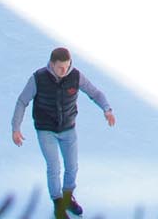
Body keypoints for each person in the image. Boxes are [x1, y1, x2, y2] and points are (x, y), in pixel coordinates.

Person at [12, 46, 116, 218]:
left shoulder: (75, 76)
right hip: (46, 130)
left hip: (68, 128)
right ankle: (58, 202)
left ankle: (68, 197)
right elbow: (22, 101)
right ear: (52, 64)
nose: (64, 70)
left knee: (72, 167)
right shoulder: (38, 78)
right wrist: (16, 128)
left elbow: (95, 93)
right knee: (54, 167)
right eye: (61, 67)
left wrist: (107, 109)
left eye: (67, 66)